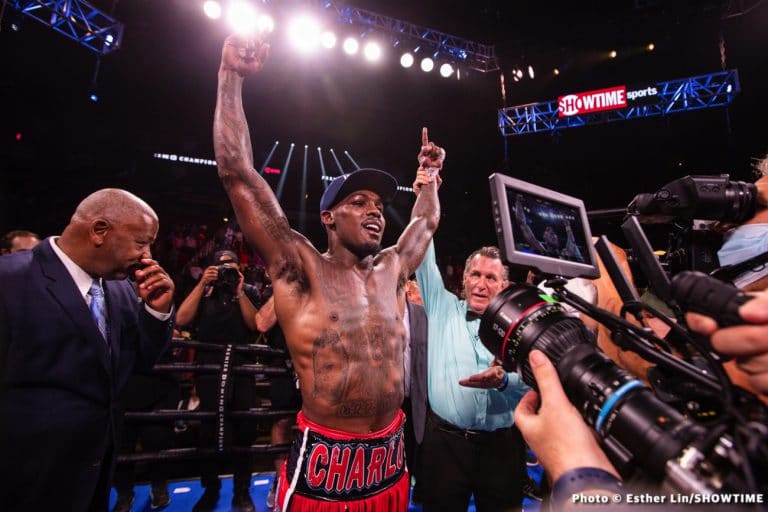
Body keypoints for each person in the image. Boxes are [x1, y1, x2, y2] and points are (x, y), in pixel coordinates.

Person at [213, 35, 441, 512]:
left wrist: (430, 177)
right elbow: (238, 173)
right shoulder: (299, 265)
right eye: (358, 203)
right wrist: (231, 76)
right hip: (326, 464)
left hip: (390, 457)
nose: (374, 212)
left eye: (379, 205)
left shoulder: (393, 267)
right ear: (328, 218)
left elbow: (426, 223)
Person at [0, 188, 175, 511]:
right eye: (141, 242)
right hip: (22, 475)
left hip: (96, 466)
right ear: (99, 231)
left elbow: (141, 361)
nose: (147, 255)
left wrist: (157, 312)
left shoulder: (121, 289)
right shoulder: (10, 279)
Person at [414, 235, 529, 510]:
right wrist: (427, 199)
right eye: (475, 274)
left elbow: (535, 382)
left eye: (490, 277)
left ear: (504, 286)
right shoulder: (440, 307)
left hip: (502, 448)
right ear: (464, 279)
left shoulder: (522, 326)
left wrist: (504, 381)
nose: (480, 284)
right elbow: (422, 250)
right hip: (445, 445)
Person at [176, 249, 261, 512]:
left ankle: (241, 493)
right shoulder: (205, 291)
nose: (227, 271)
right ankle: (210, 491)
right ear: (212, 268)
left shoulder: (248, 291)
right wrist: (202, 283)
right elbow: (181, 319)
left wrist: (239, 291)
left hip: (241, 369)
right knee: (207, 432)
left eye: (232, 266)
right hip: (210, 370)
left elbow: (255, 325)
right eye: (222, 266)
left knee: (244, 432)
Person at [401, 279, 428, 503]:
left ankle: (418, 485)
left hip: (417, 393)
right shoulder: (381, 312)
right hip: (390, 398)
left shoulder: (422, 315)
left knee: (416, 441)